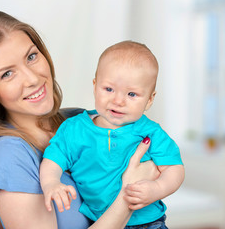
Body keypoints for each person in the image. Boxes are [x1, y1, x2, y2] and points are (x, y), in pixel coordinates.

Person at [0, 9, 160, 229]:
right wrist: (129, 197)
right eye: (7, 74)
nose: (33, 79)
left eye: (31, 57)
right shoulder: (11, 157)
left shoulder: (79, 119)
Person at [40, 41, 185, 228]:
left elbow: (175, 169)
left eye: (132, 94)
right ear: (95, 86)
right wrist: (51, 182)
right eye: (108, 89)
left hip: (148, 223)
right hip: (101, 221)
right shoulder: (74, 129)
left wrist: (157, 188)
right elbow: (53, 158)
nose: (118, 101)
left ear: (149, 100)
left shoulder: (151, 132)